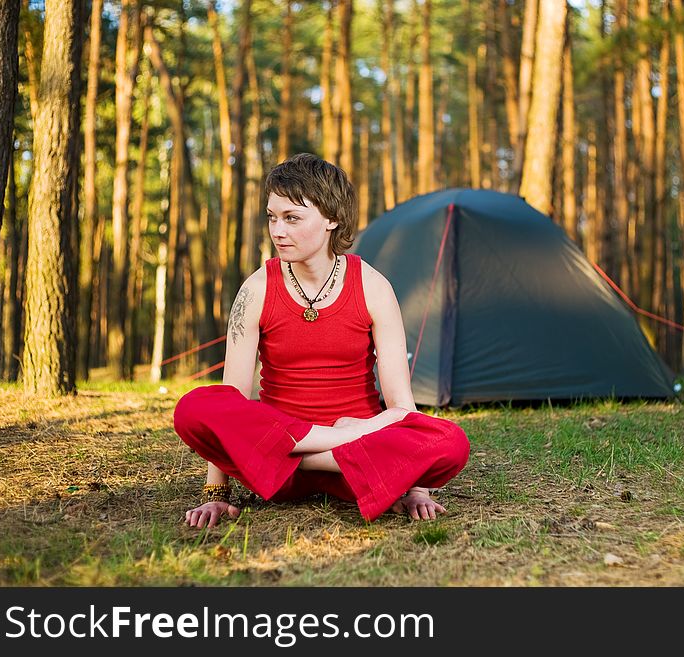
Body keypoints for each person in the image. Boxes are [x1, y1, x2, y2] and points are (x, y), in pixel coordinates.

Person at [173, 153, 469, 528]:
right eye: (272, 217)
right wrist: (217, 494)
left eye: (292, 218)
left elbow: (400, 404)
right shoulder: (257, 289)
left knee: (451, 441)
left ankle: (317, 449)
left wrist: (417, 489)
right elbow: (231, 401)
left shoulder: (374, 288)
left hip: (345, 463)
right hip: (288, 469)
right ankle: (331, 441)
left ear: (332, 219)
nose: (277, 231)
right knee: (194, 407)